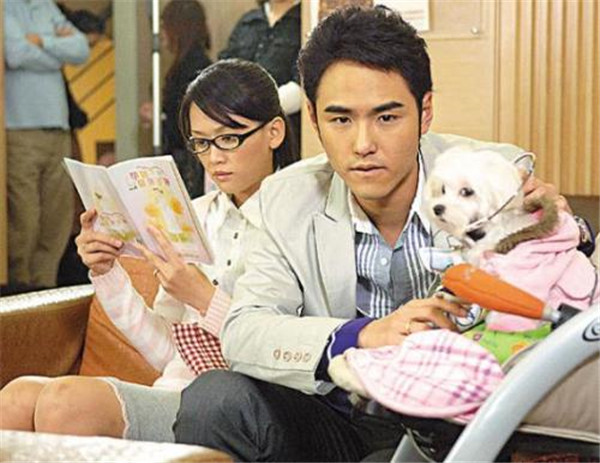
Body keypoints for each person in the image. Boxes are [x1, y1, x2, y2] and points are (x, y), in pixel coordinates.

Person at [173, 6, 585, 462]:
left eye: (386, 118)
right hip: (337, 416)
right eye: (341, 120)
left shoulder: (491, 177)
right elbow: (244, 330)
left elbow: (562, 283)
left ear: (424, 112)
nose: (363, 144)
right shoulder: (285, 199)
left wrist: (566, 229)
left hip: (454, 425)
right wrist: (363, 334)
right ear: (313, 119)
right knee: (216, 400)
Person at [0, 59, 299, 443]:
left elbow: (290, 350)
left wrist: (204, 298)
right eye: (201, 143)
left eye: (228, 138)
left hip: (238, 404)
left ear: (274, 132)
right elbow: (167, 352)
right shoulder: (195, 216)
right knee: (17, 396)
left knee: (65, 402)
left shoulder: (299, 221)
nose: (214, 158)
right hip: (176, 388)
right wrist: (107, 272)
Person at [3, 0, 90, 293]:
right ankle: (19, 293)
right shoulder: (6, 8)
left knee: (57, 220)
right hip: (20, 130)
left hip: (59, 129)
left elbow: (81, 49)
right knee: (24, 221)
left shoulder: (46, 6)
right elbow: (15, 53)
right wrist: (57, 52)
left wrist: (40, 41)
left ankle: (44, 290)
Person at [140, 0, 212, 199]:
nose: (161, 33)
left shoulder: (194, 70)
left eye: (165, 26)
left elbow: (186, 124)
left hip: (188, 165)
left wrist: (160, 118)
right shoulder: (188, 66)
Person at [219, 0, 301, 154]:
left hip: (285, 130)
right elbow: (223, 70)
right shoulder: (248, 21)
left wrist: (253, 110)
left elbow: (301, 86)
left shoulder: (305, 21)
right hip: (237, 128)